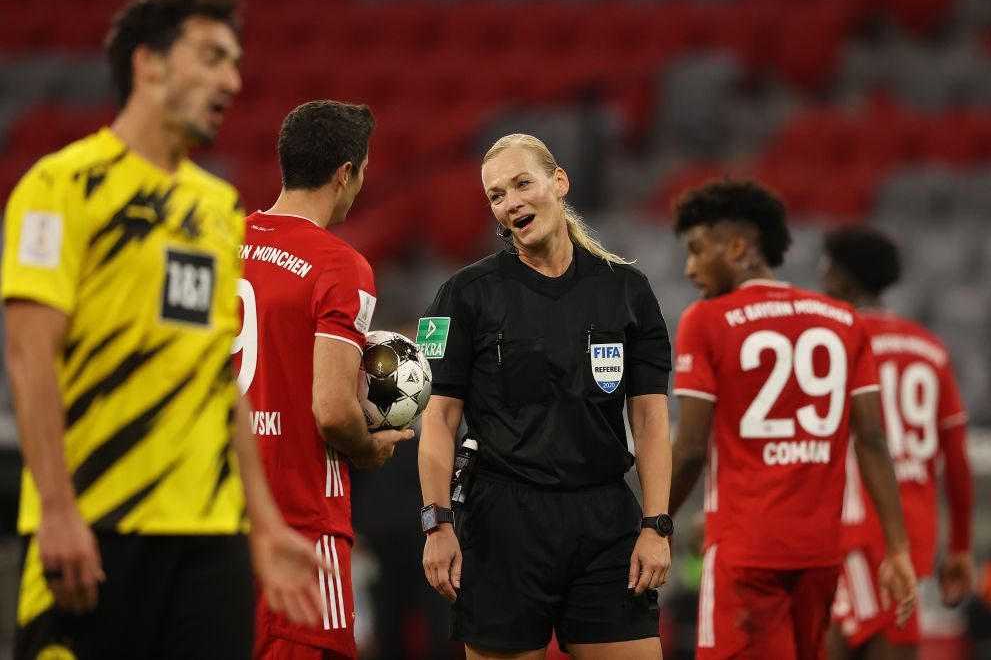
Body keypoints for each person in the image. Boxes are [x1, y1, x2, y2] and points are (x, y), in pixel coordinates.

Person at [1, 0, 325, 659]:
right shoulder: (59, 188)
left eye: (235, 62)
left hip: (208, 536)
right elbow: (30, 358)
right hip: (92, 523)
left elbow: (218, 376)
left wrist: (262, 522)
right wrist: (58, 510)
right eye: (211, 57)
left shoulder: (214, 208)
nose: (232, 80)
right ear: (149, 65)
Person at [418, 133, 673, 660]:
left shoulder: (628, 290)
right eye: (495, 195)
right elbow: (439, 420)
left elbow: (649, 421)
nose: (510, 202)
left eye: (521, 184)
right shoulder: (464, 294)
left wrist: (657, 525)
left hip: (605, 522)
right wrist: (436, 522)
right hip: (501, 527)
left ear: (559, 183)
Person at [666, 180, 917, 659]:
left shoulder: (706, 319)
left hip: (744, 553)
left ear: (738, 248)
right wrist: (898, 548)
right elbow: (872, 441)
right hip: (821, 555)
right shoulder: (844, 320)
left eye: (698, 250)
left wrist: (652, 523)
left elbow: (693, 449)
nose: (690, 266)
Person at [235, 100, 415, 660]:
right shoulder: (339, 265)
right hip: (301, 527)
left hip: (216, 527)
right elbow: (334, 411)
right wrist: (367, 448)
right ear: (346, 173)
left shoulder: (219, 241)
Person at [821, 225, 973, 660]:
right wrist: (960, 546)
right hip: (914, 534)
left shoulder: (835, 341)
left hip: (851, 532)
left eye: (826, 269)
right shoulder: (931, 348)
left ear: (843, 278)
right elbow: (958, 461)